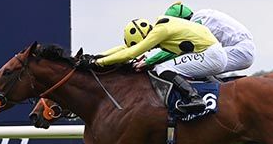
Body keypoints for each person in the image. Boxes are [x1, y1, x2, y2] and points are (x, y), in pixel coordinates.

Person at [92, 16, 227, 113]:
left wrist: (99, 63)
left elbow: (130, 53)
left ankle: (195, 98)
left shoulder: (160, 31)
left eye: (147, 46)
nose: (149, 49)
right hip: (214, 53)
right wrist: (96, 57)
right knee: (173, 67)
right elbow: (125, 49)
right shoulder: (160, 27)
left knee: (162, 68)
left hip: (211, 54)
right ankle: (219, 88)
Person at [154, 2, 255, 74]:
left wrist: (150, 61)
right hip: (242, 49)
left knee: (192, 67)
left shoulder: (196, 22)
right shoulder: (202, 15)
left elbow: (179, 49)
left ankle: (194, 97)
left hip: (239, 51)